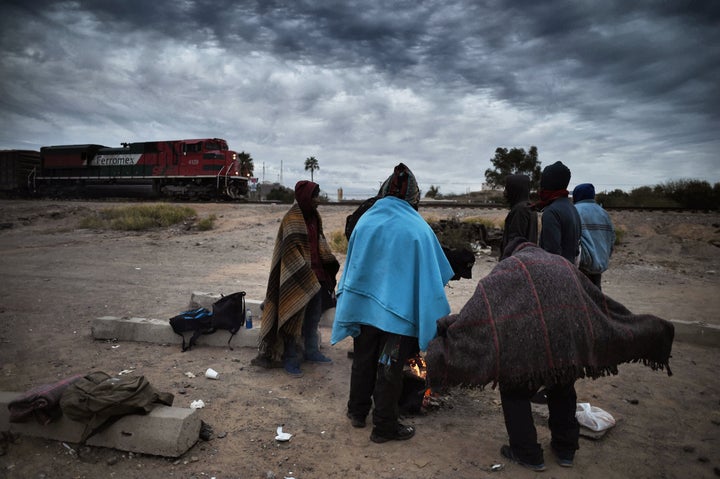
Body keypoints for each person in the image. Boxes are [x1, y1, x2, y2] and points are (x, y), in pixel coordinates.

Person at [425, 239, 675, 471]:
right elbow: (596, 300)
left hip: (526, 345)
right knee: (562, 385)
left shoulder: (507, 269)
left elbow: (479, 315)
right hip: (565, 344)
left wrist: (450, 325)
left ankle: (527, 453)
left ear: (510, 253)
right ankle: (566, 449)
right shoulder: (561, 263)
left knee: (514, 389)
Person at [331, 163, 454, 443]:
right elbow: (435, 273)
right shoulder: (417, 229)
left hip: (363, 308)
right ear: (414, 197)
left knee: (363, 359)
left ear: (384, 190)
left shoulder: (366, 221)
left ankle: (357, 411)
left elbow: (353, 265)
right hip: (397, 316)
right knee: (389, 366)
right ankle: (384, 426)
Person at [251, 180, 340, 378]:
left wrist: (326, 263)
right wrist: (305, 275)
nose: (318, 201)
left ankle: (312, 351)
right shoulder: (291, 219)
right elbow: (290, 254)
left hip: (316, 279)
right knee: (293, 318)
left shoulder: (315, 217)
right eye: (315, 197)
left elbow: (320, 243)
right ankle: (291, 359)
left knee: (313, 319)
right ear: (306, 198)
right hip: (297, 278)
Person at [535, 161, 581, 263]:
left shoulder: (551, 212)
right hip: (570, 270)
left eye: (543, 181)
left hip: (556, 274)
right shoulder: (572, 208)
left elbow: (551, 254)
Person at [573, 183, 616, 289]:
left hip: (582, 264)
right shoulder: (604, 213)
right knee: (596, 294)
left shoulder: (575, 210)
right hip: (600, 263)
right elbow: (612, 239)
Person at [499, 174, 538, 260]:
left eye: (507, 188)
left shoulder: (520, 210)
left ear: (515, 190)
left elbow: (514, 243)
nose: (505, 192)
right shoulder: (530, 207)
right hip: (527, 259)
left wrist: (504, 265)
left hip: (515, 263)